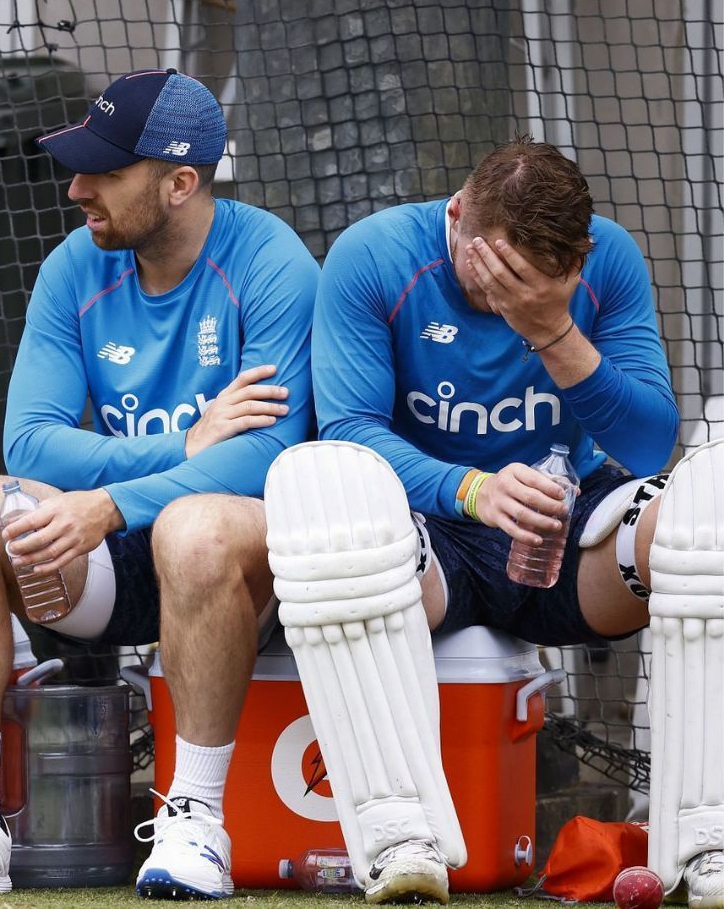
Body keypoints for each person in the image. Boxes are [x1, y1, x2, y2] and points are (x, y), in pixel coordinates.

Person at [262, 136, 720, 906]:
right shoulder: (375, 254)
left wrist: (550, 326)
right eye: (492, 279)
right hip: (424, 530)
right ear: (458, 219)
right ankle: (400, 838)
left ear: (575, 260)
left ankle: (703, 836)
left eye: (531, 285)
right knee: (328, 492)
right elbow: (348, 428)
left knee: (703, 518)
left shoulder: (606, 261)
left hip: (568, 525)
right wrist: (471, 489)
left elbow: (644, 445)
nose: (499, 302)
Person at [0, 68, 319, 899]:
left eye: (104, 173)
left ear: (180, 182)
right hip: (108, 551)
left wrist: (115, 501)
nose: (76, 189)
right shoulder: (73, 267)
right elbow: (30, 443)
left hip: (240, 571)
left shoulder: (270, 262)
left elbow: (272, 455)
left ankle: (195, 820)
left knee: (194, 527)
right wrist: (178, 443)